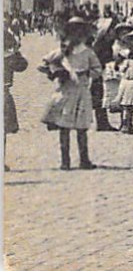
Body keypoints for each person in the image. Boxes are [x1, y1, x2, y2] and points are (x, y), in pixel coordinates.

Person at [41, 18, 101, 169]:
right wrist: (56, 72)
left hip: (82, 91)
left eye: (79, 32)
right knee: (64, 127)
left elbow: (98, 70)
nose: (76, 36)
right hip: (66, 92)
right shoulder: (61, 52)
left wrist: (86, 74)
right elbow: (43, 64)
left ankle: (84, 159)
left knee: (82, 128)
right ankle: (65, 161)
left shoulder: (88, 52)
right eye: (72, 32)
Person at [5, 28, 26, 171]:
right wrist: (16, 52)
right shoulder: (9, 57)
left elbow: (22, 65)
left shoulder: (9, 57)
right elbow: (22, 65)